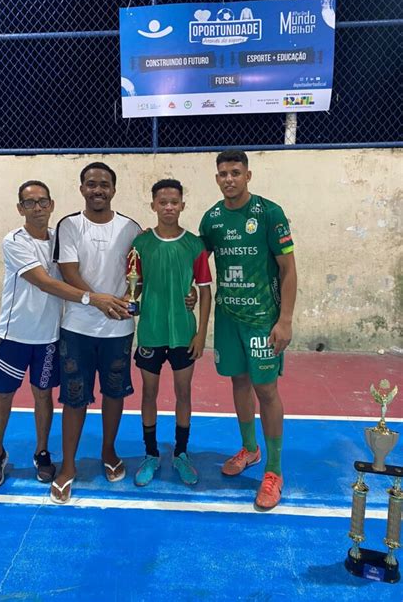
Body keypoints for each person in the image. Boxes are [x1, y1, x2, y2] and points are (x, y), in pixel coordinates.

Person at [199, 150, 297, 510]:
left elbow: (288, 270)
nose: (229, 179)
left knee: (266, 389)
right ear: (217, 178)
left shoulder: (269, 213)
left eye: (235, 172)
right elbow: (196, 259)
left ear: (248, 176)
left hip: (262, 320)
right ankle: (250, 449)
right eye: (223, 173)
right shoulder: (211, 219)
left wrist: (284, 320)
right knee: (238, 382)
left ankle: (273, 470)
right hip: (228, 319)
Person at [0, 180, 92, 490]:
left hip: (48, 338)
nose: (38, 207)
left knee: (43, 395)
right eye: (30, 203)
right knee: (3, 394)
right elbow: (44, 282)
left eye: (43, 201)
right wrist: (91, 299)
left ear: (52, 205)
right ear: (21, 208)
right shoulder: (13, 241)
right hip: (13, 335)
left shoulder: (60, 241)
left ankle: (42, 452)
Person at [50, 162, 142, 504]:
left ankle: (108, 451)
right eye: (91, 184)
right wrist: (100, 301)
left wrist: (182, 293)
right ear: (82, 188)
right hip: (77, 328)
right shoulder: (69, 225)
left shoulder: (131, 227)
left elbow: (140, 274)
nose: (98, 190)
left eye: (104, 184)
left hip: (119, 329)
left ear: (114, 190)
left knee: (114, 394)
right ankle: (69, 466)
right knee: (75, 398)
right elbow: (68, 272)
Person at [132, 179, 212, 487]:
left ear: (182, 205)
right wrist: (132, 300)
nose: (168, 207)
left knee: (183, 393)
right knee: (149, 394)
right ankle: (151, 453)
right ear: (153, 205)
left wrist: (201, 333)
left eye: (174, 202)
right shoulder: (141, 244)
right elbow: (133, 286)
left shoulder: (195, 245)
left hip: (183, 333)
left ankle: (181, 453)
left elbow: (205, 291)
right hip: (150, 331)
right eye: (162, 202)